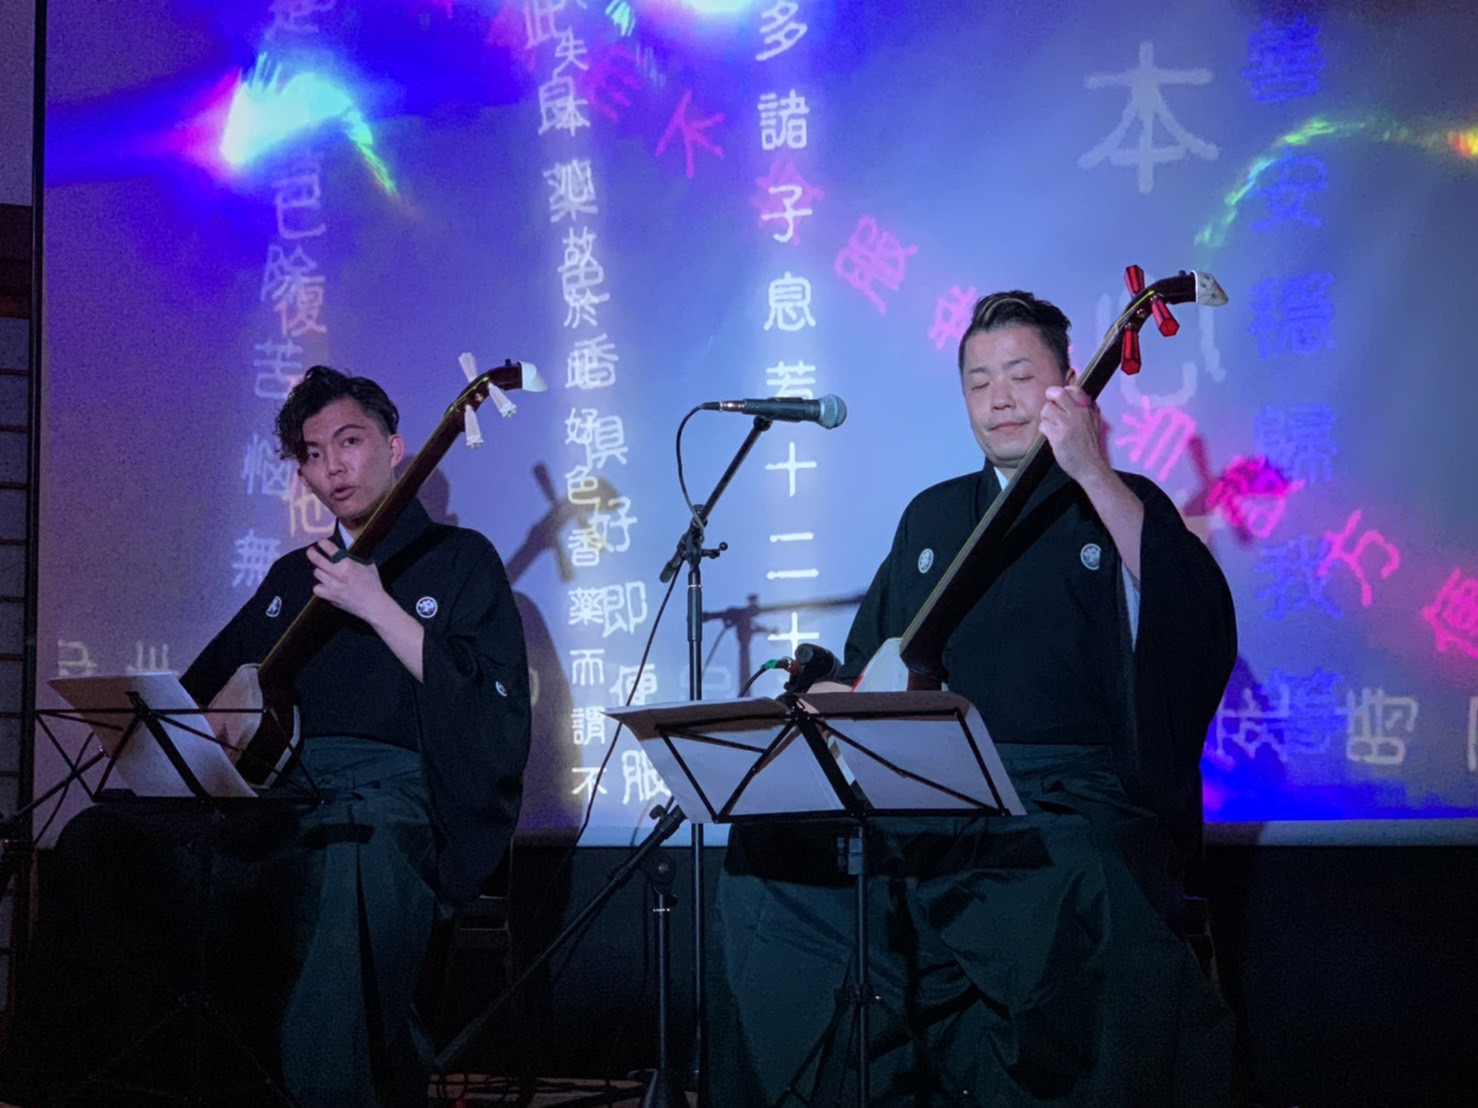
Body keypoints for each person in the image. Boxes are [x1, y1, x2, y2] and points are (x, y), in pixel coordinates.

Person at [712, 291, 1238, 1106]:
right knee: (769, 857)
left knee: (1082, 880)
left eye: (1022, 376)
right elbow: (871, 664)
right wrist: (834, 692)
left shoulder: (1118, 498)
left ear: (1069, 384)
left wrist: (1092, 472)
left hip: (1070, 794)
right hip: (939, 792)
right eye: (979, 381)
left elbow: (1192, 622)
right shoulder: (931, 517)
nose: (999, 399)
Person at [19, 366, 532, 1108]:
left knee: (354, 854)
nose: (333, 467)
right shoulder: (295, 575)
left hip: (392, 798)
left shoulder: (462, 559)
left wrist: (379, 606)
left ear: (395, 446)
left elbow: (490, 703)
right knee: (98, 838)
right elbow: (198, 699)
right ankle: (114, 1085)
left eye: (349, 442)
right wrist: (217, 725)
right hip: (277, 800)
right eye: (313, 454)